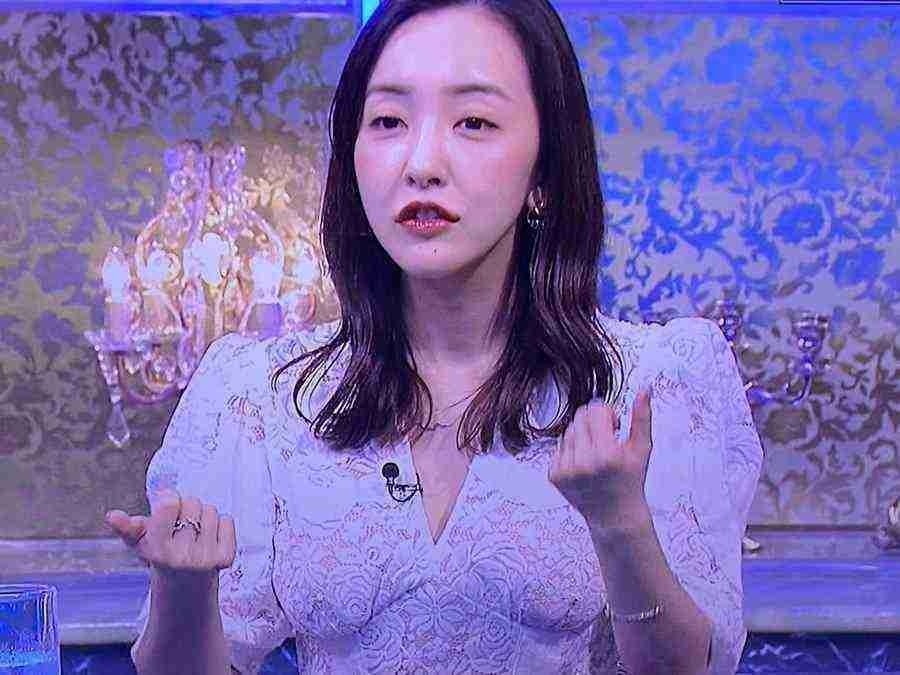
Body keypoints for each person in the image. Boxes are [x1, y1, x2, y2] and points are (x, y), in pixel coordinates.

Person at [105, 0, 764, 672]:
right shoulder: (261, 394)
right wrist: (183, 588)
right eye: (388, 121)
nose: (421, 163)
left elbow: (690, 668)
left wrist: (620, 521)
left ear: (544, 172)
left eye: (473, 122)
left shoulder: (654, 381)